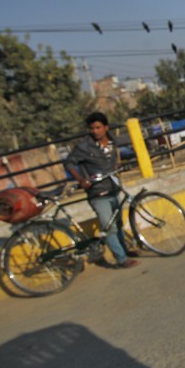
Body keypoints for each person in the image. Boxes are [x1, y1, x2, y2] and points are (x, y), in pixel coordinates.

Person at [65, 112, 140, 269]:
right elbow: (69, 163)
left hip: (113, 188)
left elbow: (111, 160)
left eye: (98, 127)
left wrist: (115, 167)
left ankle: (124, 250)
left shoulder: (112, 141)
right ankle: (121, 259)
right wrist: (81, 180)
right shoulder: (84, 147)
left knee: (117, 223)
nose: (95, 131)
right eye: (92, 128)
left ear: (106, 127)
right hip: (98, 194)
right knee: (108, 226)